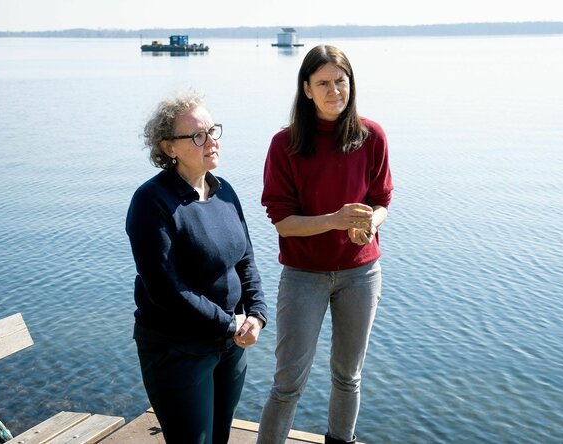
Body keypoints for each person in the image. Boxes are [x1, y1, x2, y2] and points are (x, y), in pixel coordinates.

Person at [257, 45, 394, 444]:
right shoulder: (285, 145)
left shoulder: (371, 136)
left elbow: (382, 200)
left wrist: (370, 222)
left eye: (340, 80)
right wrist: (335, 220)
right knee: (287, 383)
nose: (334, 90)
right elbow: (282, 222)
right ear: (306, 89)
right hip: (304, 277)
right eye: (323, 83)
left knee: (348, 377)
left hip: (361, 274)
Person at [126, 89, 267, 444]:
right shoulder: (151, 202)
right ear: (168, 148)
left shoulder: (225, 191)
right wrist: (228, 322)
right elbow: (165, 290)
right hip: (178, 350)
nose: (211, 141)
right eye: (198, 136)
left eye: (213, 131)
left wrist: (257, 313)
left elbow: (246, 259)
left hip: (230, 345)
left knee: (220, 438)